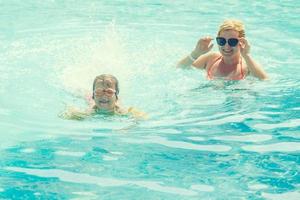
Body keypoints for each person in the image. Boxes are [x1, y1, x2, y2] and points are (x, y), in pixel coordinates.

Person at [177, 19, 268, 80]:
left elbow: (264, 80)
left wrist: (247, 55)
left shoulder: (246, 66)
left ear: (242, 42)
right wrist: (196, 53)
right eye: (222, 41)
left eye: (232, 42)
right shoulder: (211, 59)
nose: (226, 46)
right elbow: (180, 68)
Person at [61, 74, 146, 120]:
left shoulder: (121, 111)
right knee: (83, 95)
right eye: (99, 92)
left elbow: (141, 116)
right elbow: (66, 115)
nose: (103, 95)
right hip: (90, 99)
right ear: (94, 96)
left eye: (109, 92)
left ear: (116, 96)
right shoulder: (91, 111)